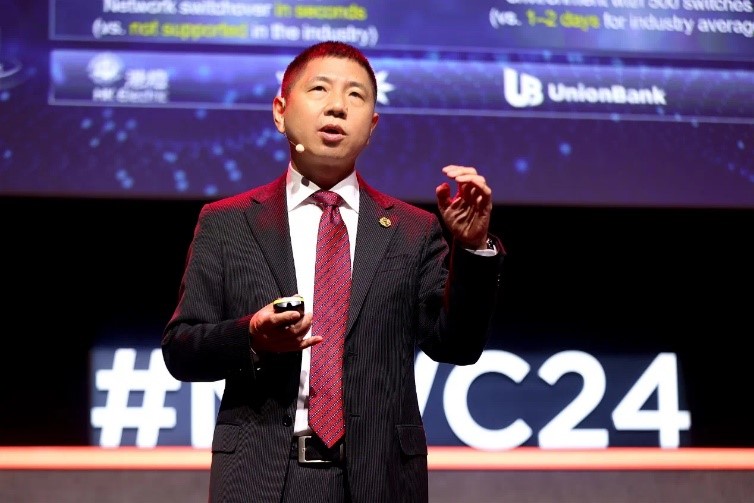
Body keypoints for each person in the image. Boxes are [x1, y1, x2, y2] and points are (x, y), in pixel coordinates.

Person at [162, 40, 505, 503]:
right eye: (319, 89)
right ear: (280, 112)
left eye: (355, 95)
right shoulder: (228, 223)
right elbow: (181, 350)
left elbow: (455, 346)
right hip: (260, 479)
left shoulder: (413, 230)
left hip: (380, 481)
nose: (338, 106)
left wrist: (472, 248)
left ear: (372, 127)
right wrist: (252, 337)